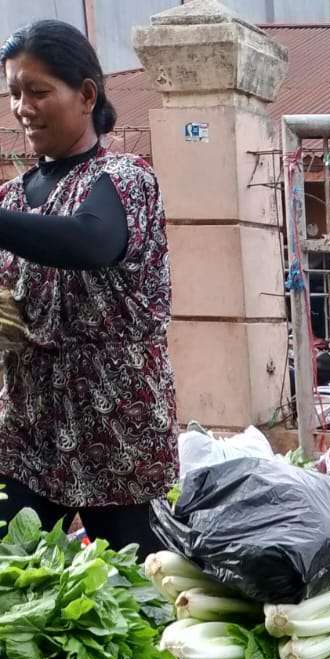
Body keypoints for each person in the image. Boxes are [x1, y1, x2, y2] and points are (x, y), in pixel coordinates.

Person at [0, 21, 176, 557]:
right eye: (14, 93)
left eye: (38, 91)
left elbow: (90, 242)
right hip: (28, 427)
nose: (23, 107)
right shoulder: (11, 197)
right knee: (16, 577)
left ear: (86, 95)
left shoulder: (124, 178)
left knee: (136, 582)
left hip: (117, 428)